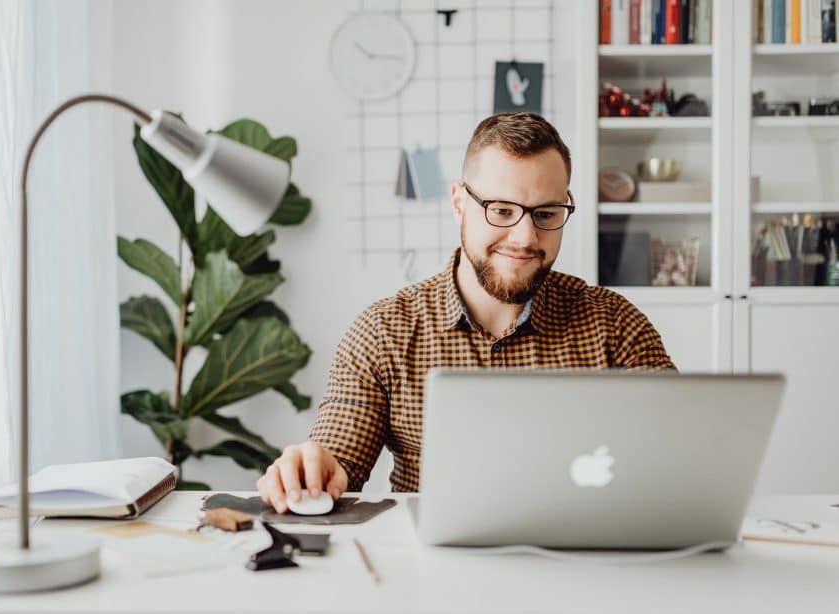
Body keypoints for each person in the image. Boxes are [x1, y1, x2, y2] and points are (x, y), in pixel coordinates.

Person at [257, 112, 676, 512]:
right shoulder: (385, 331)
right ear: (459, 202)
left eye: (546, 214)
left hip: (585, 565)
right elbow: (337, 459)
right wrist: (313, 470)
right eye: (502, 210)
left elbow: (681, 453)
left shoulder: (615, 325)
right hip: (434, 574)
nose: (525, 237)